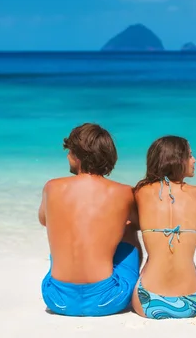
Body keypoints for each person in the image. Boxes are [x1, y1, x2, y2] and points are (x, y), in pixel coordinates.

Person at [39, 123, 141, 317]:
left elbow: (44, 220)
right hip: (108, 300)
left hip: (56, 299)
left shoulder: (51, 187)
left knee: (62, 233)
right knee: (129, 230)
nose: (67, 156)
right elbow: (140, 223)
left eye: (69, 152)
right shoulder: (124, 192)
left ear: (77, 156)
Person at [131, 136, 196, 319]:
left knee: (128, 229)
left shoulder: (139, 193)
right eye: (190, 155)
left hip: (147, 301)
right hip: (194, 301)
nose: (194, 160)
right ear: (176, 159)